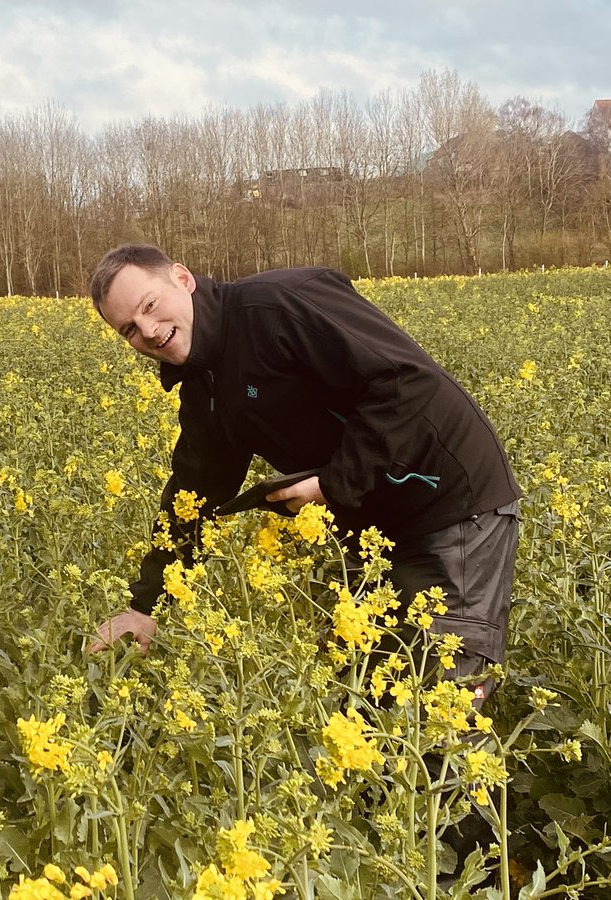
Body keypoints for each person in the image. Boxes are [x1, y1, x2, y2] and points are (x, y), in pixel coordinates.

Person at [86, 244, 520, 704]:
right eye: (129, 329)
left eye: (150, 306)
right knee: (372, 700)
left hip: (449, 503)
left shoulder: (279, 304)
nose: (149, 332)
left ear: (182, 278)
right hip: (374, 524)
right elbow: (198, 487)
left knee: (439, 702)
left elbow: (405, 379)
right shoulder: (204, 378)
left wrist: (334, 484)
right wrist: (146, 604)